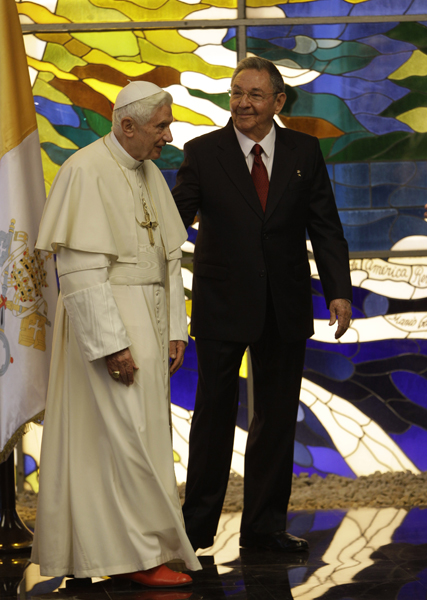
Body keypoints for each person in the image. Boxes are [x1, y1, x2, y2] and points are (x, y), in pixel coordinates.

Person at [173, 57, 353, 553]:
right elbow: (173, 223)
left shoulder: (304, 151)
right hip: (221, 303)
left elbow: (325, 225)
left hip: (285, 304)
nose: (242, 103)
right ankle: (196, 530)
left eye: (254, 95)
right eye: (235, 93)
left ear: (278, 102)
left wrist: (339, 290)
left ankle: (264, 528)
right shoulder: (202, 152)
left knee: (274, 419)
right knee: (212, 415)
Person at [32, 81, 202, 586]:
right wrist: (111, 344)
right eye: (161, 126)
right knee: (124, 436)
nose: (168, 137)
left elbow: (169, 259)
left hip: (147, 320)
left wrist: (175, 328)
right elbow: (81, 271)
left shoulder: (146, 171)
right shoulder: (85, 171)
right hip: (108, 323)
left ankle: (120, 554)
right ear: (127, 125)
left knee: (139, 435)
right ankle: (144, 554)